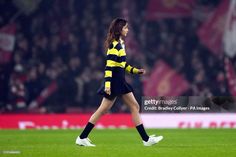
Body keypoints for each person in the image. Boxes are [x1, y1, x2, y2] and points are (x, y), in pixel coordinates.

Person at [75, 18, 163, 146]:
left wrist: (135, 71)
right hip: (115, 81)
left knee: (134, 106)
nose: (127, 29)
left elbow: (122, 64)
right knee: (103, 110)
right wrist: (108, 85)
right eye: (125, 27)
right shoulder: (114, 45)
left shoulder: (120, 43)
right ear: (120, 30)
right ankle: (82, 137)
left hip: (120, 80)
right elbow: (109, 66)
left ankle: (146, 139)